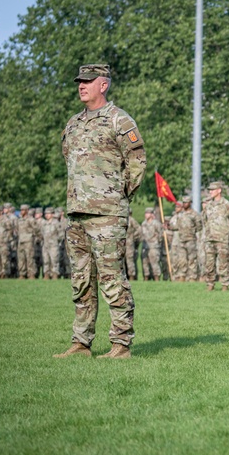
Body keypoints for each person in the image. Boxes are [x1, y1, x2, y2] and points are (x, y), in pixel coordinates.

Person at [54, 63, 146, 359]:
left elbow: (137, 163)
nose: (81, 85)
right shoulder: (73, 123)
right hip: (77, 212)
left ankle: (121, 344)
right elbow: (68, 157)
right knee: (81, 281)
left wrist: (119, 197)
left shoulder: (119, 120)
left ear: (103, 85)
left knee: (111, 279)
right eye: (80, 81)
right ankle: (81, 343)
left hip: (108, 215)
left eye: (88, 81)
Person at [202, 181, 229, 291]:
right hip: (210, 238)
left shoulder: (226, 204)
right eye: (209, 190)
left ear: (219, 190)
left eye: (212, 190)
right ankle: (210, 284)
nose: (210, 192)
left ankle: (225, 284)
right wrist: (207, 231)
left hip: (222, 239)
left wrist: (227, 230)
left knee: (223, 263)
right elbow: (204, 220)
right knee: (209, 263)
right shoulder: (208, 205)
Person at [141, 207, 164, 280]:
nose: (146, 215)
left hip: (154, 246)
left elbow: (161, 234)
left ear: (151, 214)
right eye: (145, 213)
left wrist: (157, 242)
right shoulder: (143, 223)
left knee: (155, 263)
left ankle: (157, 278)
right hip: (145, 246)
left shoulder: (156, 223)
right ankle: (146, 278)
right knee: (145, 264)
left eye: (148, 213)